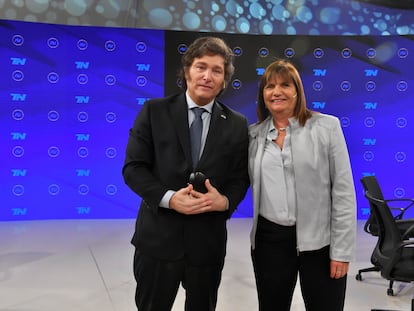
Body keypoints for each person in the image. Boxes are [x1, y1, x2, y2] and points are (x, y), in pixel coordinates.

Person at [122, 36, 250, 311]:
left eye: (217, 70)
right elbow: (133, 168)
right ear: (187, 71)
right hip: (158, 240)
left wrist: (226, 202)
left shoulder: (238, 124)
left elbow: (241, 177)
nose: (207, 76)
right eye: (201, 66)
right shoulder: (154, 111)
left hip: (207, 244)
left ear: (224, 80)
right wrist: (169, 198)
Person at [248, 59, 356, 311]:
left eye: (285, 85)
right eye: (269, 86)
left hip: (320, 243)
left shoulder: (327, 127)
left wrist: (341, 251)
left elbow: (343, 193)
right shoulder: (253, 134)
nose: (277, 91)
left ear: (297, 91)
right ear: (263, 94)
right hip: (269, 242)